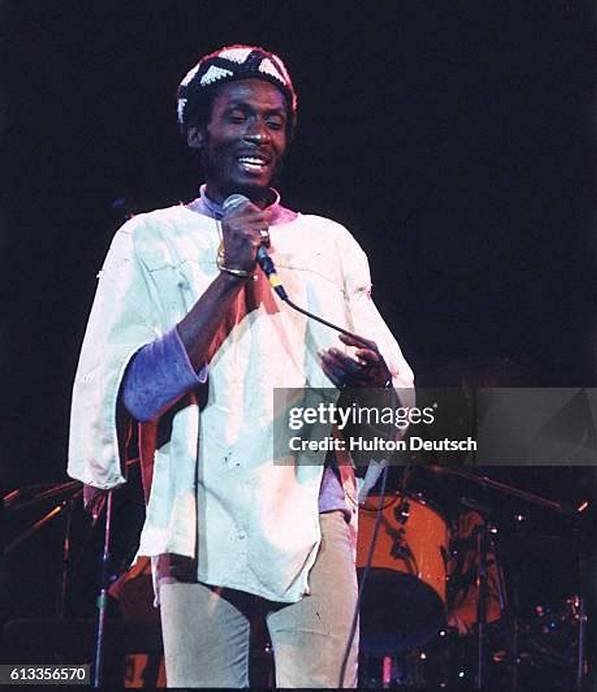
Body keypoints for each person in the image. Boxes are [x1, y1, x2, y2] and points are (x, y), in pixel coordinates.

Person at [68, 44, 414, 688]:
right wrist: (230, 271)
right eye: (238, 116)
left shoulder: (327, 244)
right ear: (198, 132)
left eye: (274, 121)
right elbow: (135, 394)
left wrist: (370, 383)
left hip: (313, 509)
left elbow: (390, 411)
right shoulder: (150, 239)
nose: (259, 133)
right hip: (196, 516)